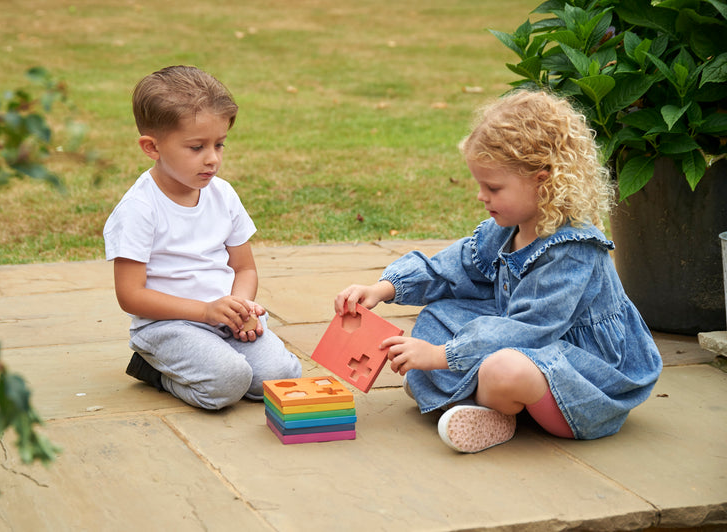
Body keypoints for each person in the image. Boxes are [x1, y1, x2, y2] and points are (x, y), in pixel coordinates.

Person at [334, 90, 663, 453]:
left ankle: (485, 405)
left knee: (502, 368)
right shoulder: (509, 225)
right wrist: (383, 288)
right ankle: (482, 403)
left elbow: (528, 328)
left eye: (492, 187)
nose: (481, 196)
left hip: (584, 375)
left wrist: (439, 357)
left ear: (543, 181)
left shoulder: (575, 249)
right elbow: (452, 268)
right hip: (526, 344)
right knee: (439, 315)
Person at [104, 65, 301, 410]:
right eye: (196, 147)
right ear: (152, 147)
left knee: (281, 376)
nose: (212, 159)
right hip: (171, 325)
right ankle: (153, 370)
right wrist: (205, 311)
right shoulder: (139, 208)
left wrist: (243, 307)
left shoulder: (222, 195)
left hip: (224, 319)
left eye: (219, 144)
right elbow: (130, 295)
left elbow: (244, 269)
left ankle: (221, 357)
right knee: (227, 384)